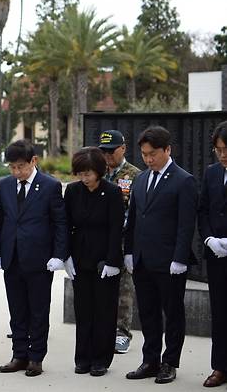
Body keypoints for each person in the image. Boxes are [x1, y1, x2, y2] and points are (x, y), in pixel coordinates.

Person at [124, 125, 197, 384]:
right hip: (142, 260)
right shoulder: (141, 179)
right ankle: (150, 360)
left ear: (167, 149)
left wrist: (179, 258)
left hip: (169, 262)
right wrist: (129, 252)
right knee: (148, 313)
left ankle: (170, 362)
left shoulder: (184, 180)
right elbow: (133, 219)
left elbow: (186, 224)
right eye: (144, 154)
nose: (148, 159)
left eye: (153, 153)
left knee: (173, 313)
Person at [0, 139, 69, 377]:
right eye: (12, 167)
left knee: (37, 311)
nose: (16, 172)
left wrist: (59, 255)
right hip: (12, 258)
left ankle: (36, 357)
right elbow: (0, 220)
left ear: (33, 161)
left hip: (39, 259)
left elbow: (60, 223)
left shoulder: (50, 185)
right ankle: (19, 355)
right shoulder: (5, 185)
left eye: (20, 167)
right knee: (17, 310)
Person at [64, 147, 124, 377]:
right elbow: (66, 224)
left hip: (104, 262)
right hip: (80, 259)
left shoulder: (112, 192)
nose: (84, 178)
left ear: (99, 171)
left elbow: (116, 228)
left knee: (104, 311)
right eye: (80, 173)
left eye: (88, 173)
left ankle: (100, 359)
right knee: (83, 310)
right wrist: (66, 256)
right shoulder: (72, 191)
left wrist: (112, 261)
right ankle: (83, 357)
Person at [98, 129, 141, 354]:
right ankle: (103, 329)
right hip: (98, 241)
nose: (107, 156)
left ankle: (122, 333)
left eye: (111, 151)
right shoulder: (97, 172)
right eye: (103, 151)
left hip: (123, 241)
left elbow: (135, 211)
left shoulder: (134, 175)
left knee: (124, 291)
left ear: (123, 148)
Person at [198, 121, 227, 388]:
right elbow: (203, 209)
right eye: (218, 149)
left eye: (226, 149)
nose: (223, 155)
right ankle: (220, 366)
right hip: (217, 255)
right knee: (219, 313)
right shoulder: (212, 173)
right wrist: (209, 239)